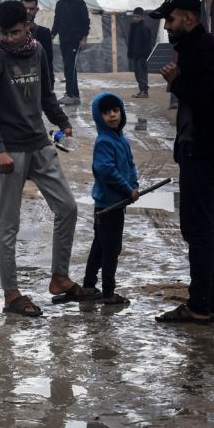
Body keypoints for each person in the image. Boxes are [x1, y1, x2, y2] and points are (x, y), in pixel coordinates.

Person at [0, 0, 79, 318]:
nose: (9, 38)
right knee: (9, 225)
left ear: (28, 26)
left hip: (40, 143)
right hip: (10, 150)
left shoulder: (38, 51)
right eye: (4, 33)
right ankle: (11, 295)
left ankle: (60, 278)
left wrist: (63, 122)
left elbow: (46, 94)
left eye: (15, 32)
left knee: (68, 208)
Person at [151, 0, 214, 324]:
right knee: (204, 224)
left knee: (197, 227)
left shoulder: (202, 49)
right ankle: (207, 303)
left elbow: (206, 99)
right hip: (201, 146)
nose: (168, 27)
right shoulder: (197, 47)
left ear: (189, 17)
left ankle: (200, 306)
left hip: (202, 147)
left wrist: (176, 81)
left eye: (171, 20)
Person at [67, 93, 139, 306]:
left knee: (100, 246)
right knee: (111, 250)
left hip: (117, 203)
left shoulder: (121, 140)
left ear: (121, 112)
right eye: (106, 113)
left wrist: (133, 185)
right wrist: (127, 190)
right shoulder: (104, 142)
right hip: (108, 206)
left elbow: (131, 165)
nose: (112, 115)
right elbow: (106, 171)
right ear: (99, 117)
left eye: (115, 111)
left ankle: (89, 285)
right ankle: (108, 293)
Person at [54, 0, 90, 105]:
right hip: (63, 40)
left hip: (75, 40)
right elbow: (56, 21)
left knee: (70, 66)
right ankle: (74, 95)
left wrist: (84, 38)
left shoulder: (79, 3)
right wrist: (52, 34)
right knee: (68, 67)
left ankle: (70, 94)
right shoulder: (59, 4)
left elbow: (86, 21)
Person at [21, 0, 55, 78]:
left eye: (31, 9)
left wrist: (50, 83)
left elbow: (48, 61)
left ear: (37, 10)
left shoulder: (44, 33)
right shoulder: (10, 32)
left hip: (38, 79)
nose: (28, 11)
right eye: (25, 8)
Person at [127, 7, 155, 98]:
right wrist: (130, 53)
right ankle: (141, 90)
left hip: (142, 56)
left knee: (142, 73)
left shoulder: (144, 28)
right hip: (135, 55)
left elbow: (147, 43)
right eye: (134, 17)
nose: (135, 18)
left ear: (142, 17)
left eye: (137, 17)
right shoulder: (133, 28)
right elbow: (131, 42)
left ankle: (144, 91)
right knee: (137, 74)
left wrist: (145, 55)